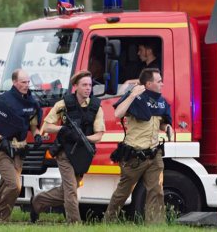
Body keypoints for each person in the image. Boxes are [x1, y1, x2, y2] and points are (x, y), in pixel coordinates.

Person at [31, 70, 105, 223]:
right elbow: (47, 126)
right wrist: (63, 129)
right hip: (64, 152)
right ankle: (74, 223)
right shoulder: (63, 104)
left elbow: (99, 135)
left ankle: (38, 201)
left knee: (68, 189)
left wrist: (83, 138)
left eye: (90, 85)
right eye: (84, 85)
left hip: (82, 154)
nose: (88, 88)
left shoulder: (96, 107)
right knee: (71, 189)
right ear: (75, 86)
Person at [104, 68, 172, 224]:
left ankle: (155, 226)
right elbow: (118, 114)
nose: (162, 84)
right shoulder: (135, 99)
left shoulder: (160, 101)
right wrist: (132, 94)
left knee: (156, 192)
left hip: (154, 155)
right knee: (123, 193)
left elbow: (161, 123)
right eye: (159, 81)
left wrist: (166, 127)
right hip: (134, 156)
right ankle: (108, 221)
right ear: (148, 83)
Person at [0, 69, 42, 222]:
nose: (26, 85)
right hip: (1, 149)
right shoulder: (2, 101)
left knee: (5, 186)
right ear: (14, 82)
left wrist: (37, 135)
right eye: (23, 82)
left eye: (28, 82)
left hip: (19, 151)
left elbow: (33, 124)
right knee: (14, 185)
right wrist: (0, 138)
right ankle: (0, 219)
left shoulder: (31, 102)